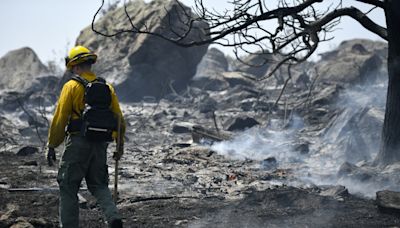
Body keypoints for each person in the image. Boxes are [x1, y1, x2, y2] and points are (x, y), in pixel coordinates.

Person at [45, 45, 125, 228]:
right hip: (100, 144)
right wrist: (119, 147)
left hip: (77, 144)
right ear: (90, 63)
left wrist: (52, 144)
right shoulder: (107, 87)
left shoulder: (71, 86)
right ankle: (113, 217)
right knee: (99, 185)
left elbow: (60, 118)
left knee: (68, 186)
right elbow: (119, 119)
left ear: (75, 66)